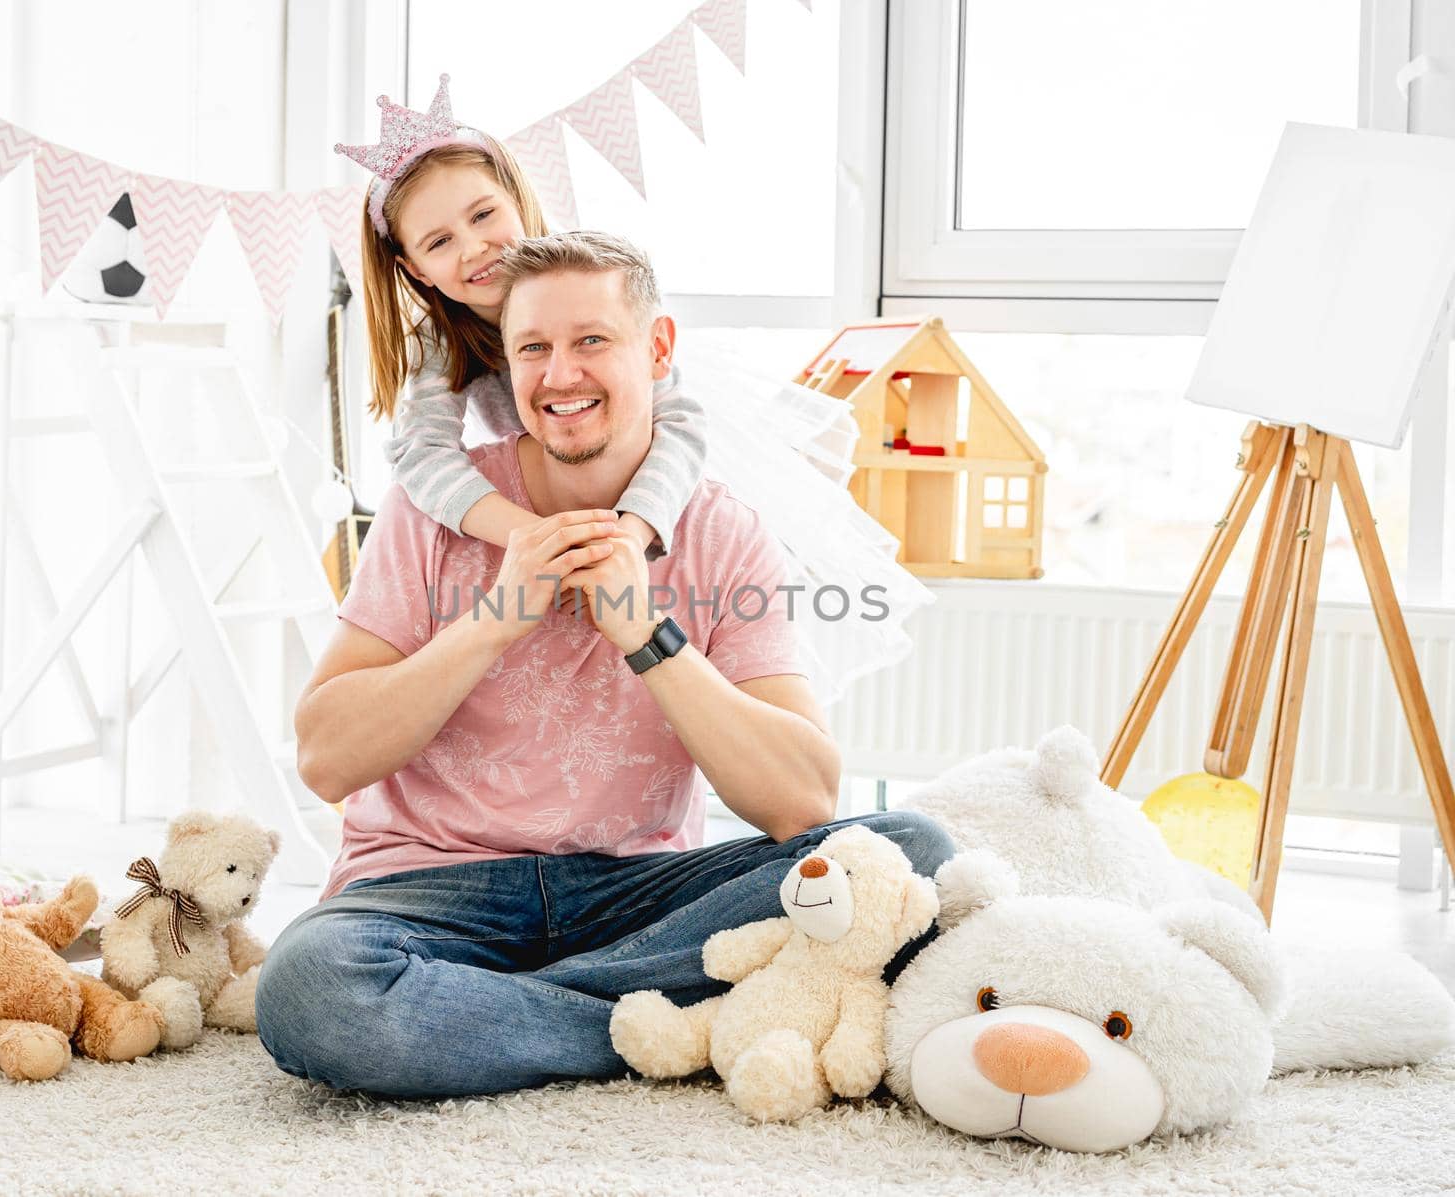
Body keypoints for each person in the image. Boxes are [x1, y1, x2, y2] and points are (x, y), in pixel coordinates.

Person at [254, 230, 954, 1099]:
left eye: (591, 341)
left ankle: (490, 1020)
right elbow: (327, 757)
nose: (560, 374)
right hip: (428, 892)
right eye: (533, 349)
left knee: (911, 856)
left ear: (657, 348)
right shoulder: (433, 511)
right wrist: (492, 620)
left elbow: (802, 799)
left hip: (634, 895)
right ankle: (652, 1023)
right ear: (505, 367)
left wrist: (646, 635)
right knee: (311, 988)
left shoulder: (720, 529)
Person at [333, 76, 930, 704]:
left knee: (706, 636)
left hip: (645, 483)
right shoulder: (440, 346)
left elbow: (684, 424)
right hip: (560, 482)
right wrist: (530, 536)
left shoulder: (589, 281)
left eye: (483, 215)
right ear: (413, 269)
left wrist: (632, 529)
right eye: (439, 242)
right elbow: (422, 455)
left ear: (515, 198)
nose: (475, 246)